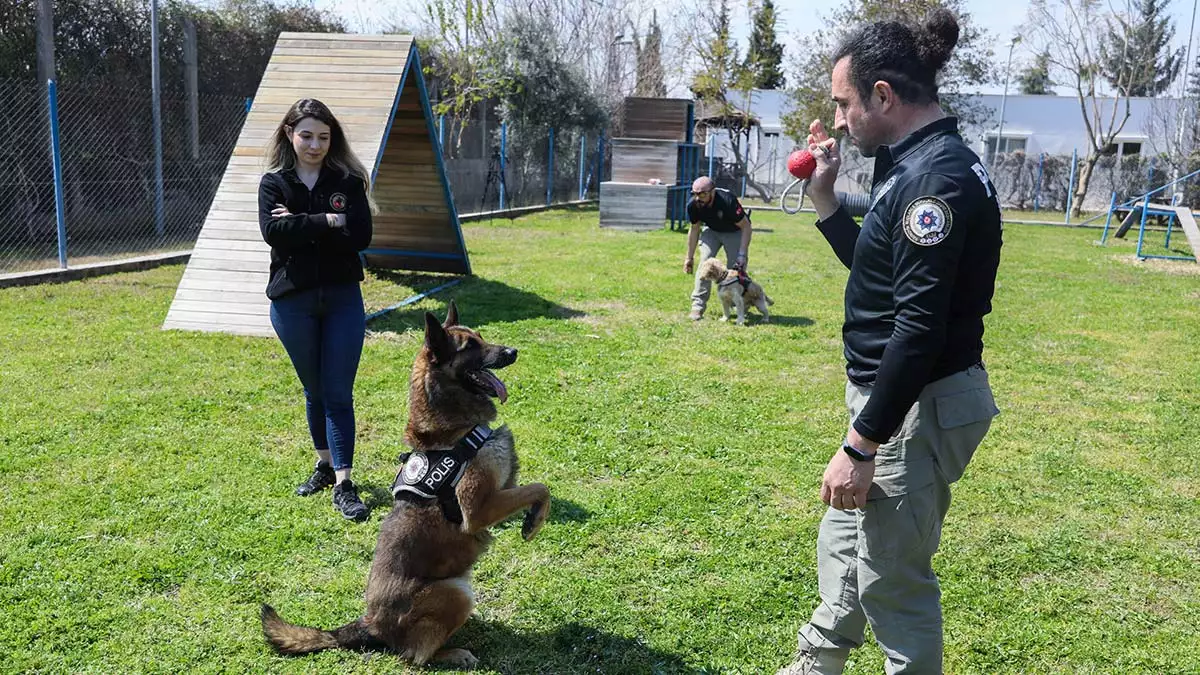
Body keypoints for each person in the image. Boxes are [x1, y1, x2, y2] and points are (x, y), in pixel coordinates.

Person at [777, 10, 1002, 674]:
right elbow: (882, 275)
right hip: (901, 400)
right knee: (846, 543)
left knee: (893, 583)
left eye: (844, 104)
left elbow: (918, 327)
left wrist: (863, 442)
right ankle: (815, 664)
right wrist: (826, 201)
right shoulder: (913, 163)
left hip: (914, 405)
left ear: (883, 95)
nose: (838, 120)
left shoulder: (933, 181)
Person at [257, 98, 377, 522]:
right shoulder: (274, 184)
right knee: (316, 391)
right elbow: (274, 233)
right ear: (290, 133)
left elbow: (360, 236)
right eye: (307, 135)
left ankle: (345, 483)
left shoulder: (348, 181)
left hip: (343, 298)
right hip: (293, 301)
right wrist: (329, 222)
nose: (315, 145)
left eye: (324, 137)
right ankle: (325, 464)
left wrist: (303, 222)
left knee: (338, 392)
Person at [683, 176, 753, 320]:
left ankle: (740, 304)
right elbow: (694, 229)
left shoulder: (728, 201)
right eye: (694, 193)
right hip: (712, 231)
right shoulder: (693, 205)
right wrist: (689, 257)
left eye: (702, 194)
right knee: (705, 264)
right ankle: (697, 307)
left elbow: (746, 227)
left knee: (737, 268)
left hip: (734, 231)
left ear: (712, 191)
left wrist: (742, 254)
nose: (697, 197)